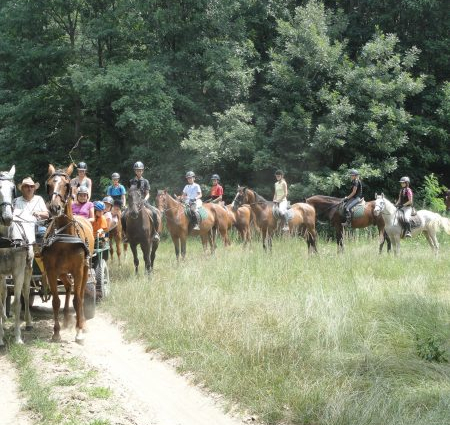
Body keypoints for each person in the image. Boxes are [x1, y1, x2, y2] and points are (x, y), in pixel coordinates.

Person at [125, 161, 160, 241]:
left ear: (143, 171)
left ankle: (155, 233)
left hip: (144, 202)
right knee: (124, 215)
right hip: (134, 203)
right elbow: (130, 193)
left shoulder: (145, 181)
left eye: (140, 170)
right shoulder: (131, 181)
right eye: (137, 170)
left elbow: (148, 194)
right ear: (135, 171)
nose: (139, 172)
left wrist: (144, 200)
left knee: (154, 213)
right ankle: (126, 235)